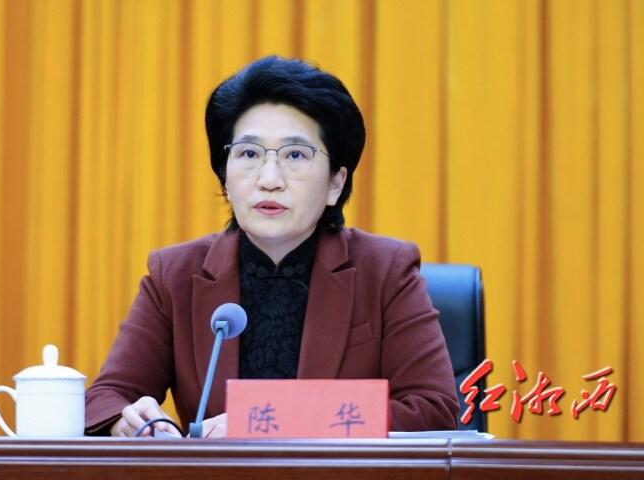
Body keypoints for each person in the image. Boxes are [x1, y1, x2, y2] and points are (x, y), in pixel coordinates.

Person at [85, 56, 459, 437]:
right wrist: (130, 422)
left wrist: (269, 423)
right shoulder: (175, 276)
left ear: (335, 183)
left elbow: (433, 408)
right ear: (224, 176)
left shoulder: (386, 271)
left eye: (295, 155)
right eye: (249, 154)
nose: (269, 179)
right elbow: (106, 397)